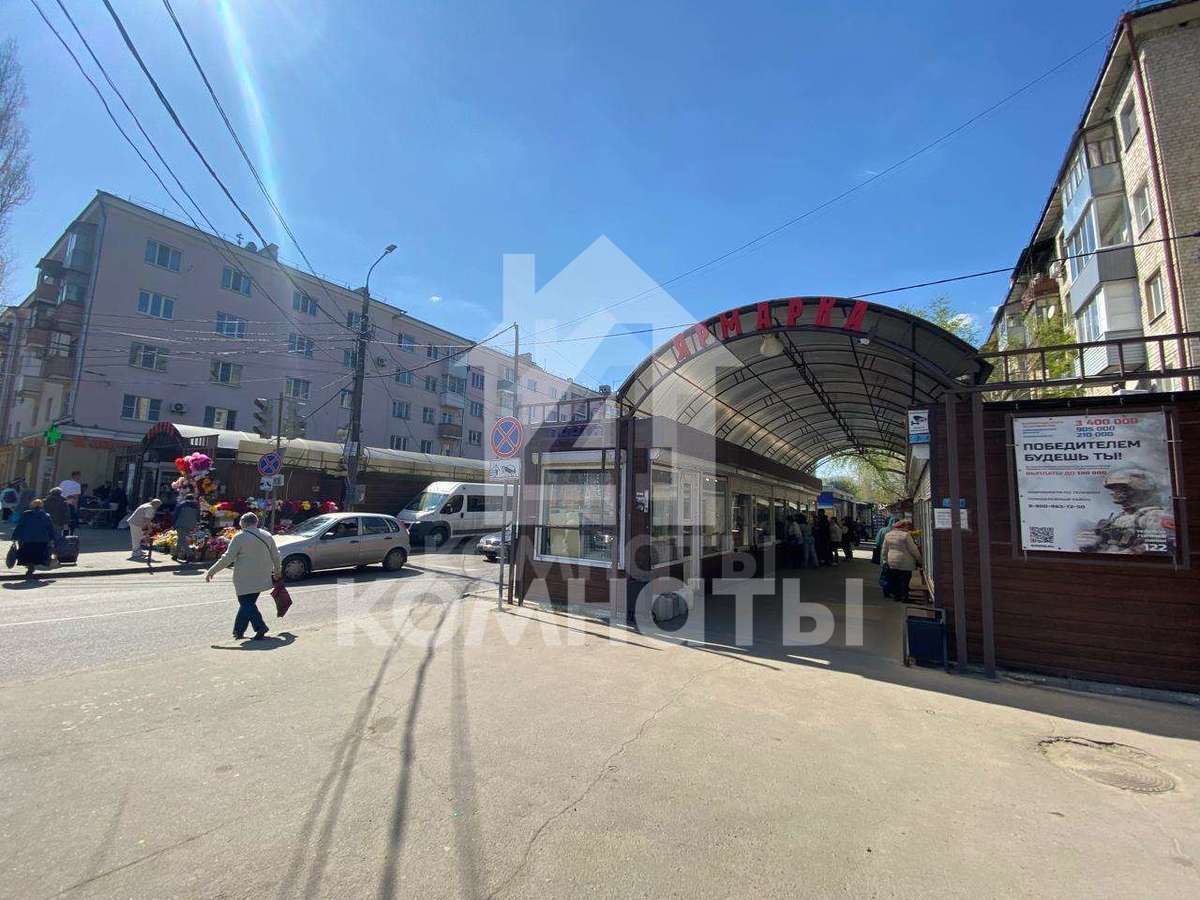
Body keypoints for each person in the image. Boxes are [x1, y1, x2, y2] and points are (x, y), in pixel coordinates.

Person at [205, 512, 282, 640]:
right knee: (248, 603)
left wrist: (212, 571)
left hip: (244, 577)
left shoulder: (240, 537)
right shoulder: (267, 535)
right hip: (263, 575)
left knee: (246, 603)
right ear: (256, 522)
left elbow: (227, 558)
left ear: (242, 523)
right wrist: (278, 570)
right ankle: (238, 631)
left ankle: (260, 627)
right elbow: (276, 555)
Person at [12, 498, 57, 578]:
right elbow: (50, 528)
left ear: (32, 505)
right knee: (37, 555)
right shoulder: (46, 515)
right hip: (42, 539)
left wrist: (15, 537)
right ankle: (32, 567)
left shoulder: (26, 514)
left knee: (28, 555)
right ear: (41, 506)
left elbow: (20, 526)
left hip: (28, 539)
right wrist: (52, 538)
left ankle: (30, 567)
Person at [881, 518, 922, 602]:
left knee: (895, 580)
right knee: (905, 581)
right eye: (907, 526)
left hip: (892, 561)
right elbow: (913, 549)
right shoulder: (906, 535)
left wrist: (885, 560)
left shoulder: (888, 535)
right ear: (904, 527)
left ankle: (896, 596)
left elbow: (884, 549)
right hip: (905, 562)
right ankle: (904, 597)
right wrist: (919, 559)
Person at [171, 495, 200, 563]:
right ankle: (175, 555)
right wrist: (195, 525)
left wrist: (173, 524)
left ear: (185, 498)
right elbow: (198, 517)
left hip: (180, 524)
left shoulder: (181, 504)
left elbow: (175, 515)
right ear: (193, 498)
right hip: (191, 525)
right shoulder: (196, 506)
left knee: (182, 540)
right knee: (180, 539)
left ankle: (190, 555)